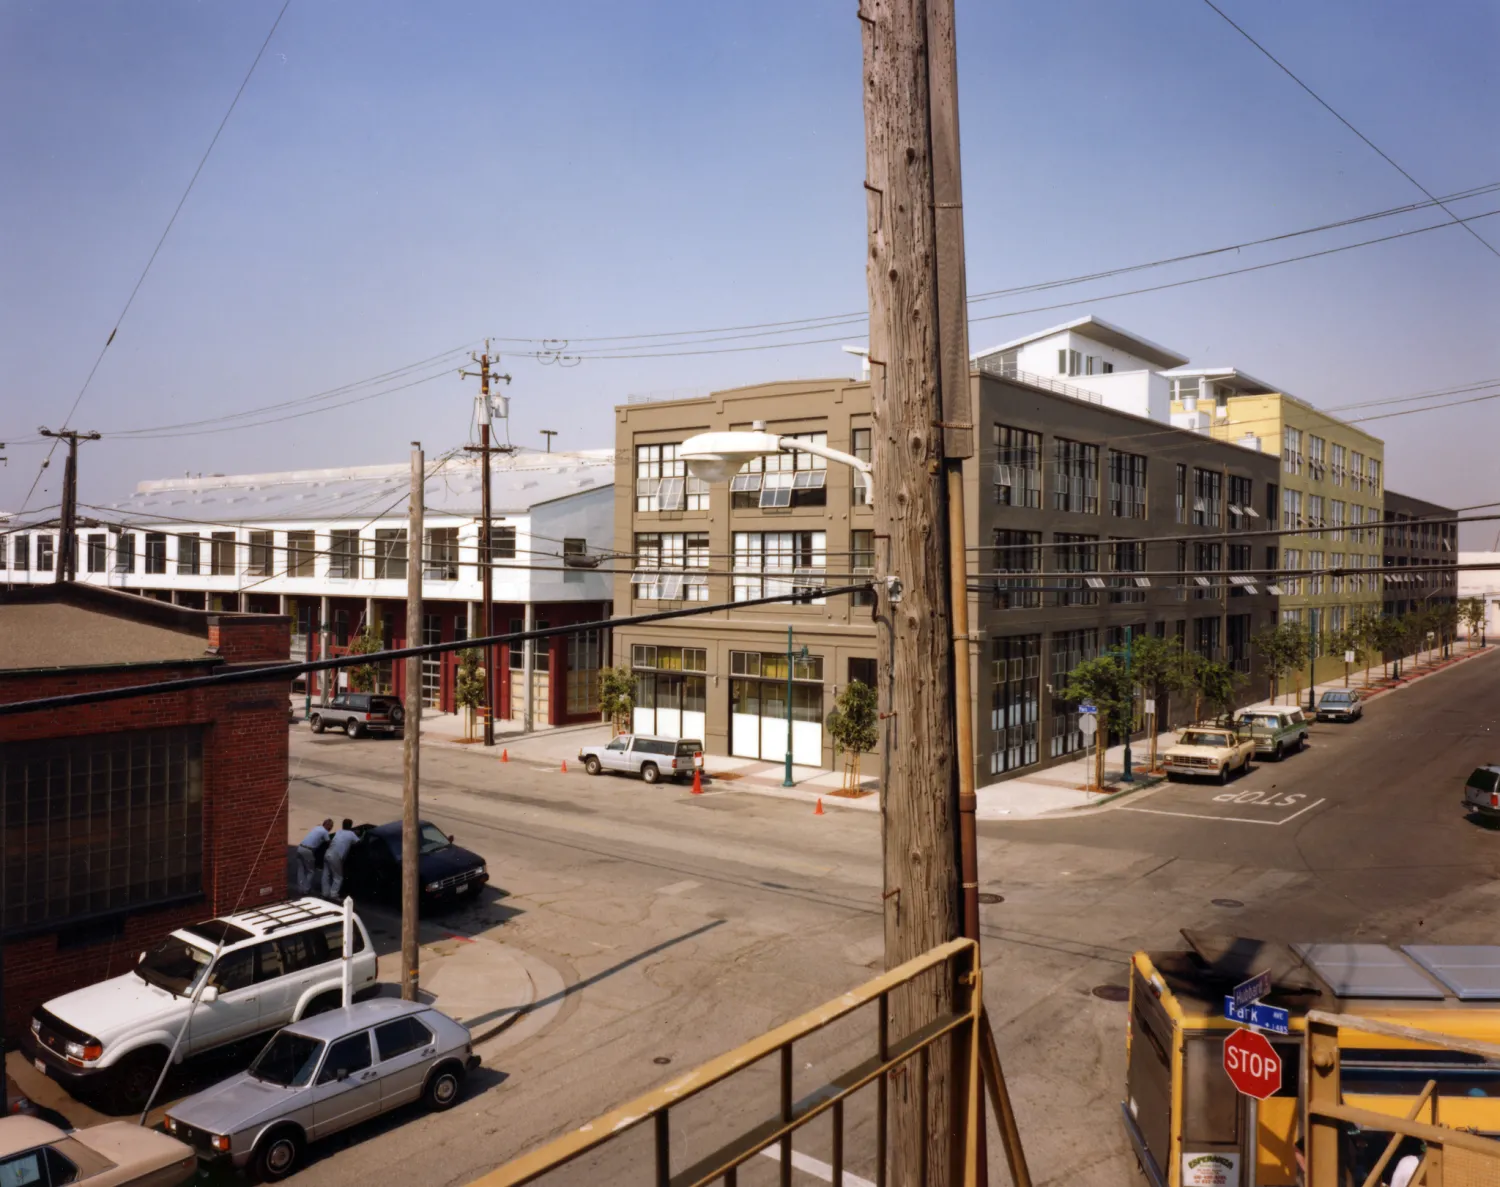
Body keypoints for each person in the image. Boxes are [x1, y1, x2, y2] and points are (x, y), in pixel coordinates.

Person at [323, 819, 359, 901]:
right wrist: (355, 833)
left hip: (328, 853)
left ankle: (325, 893)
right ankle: (334, 895)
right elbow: (358, 843)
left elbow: (344, 836)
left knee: (326, 875)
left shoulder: (339, 832)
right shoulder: (351, 834)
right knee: (338, 877)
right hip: (336, 856)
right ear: (350, 826)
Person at [296, 819, 333, 895]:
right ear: (328, 826)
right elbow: (329, 843)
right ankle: (306, 890)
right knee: (311, 871)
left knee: (301, 869)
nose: (331, 829)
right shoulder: (325, 832)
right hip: (308, 851)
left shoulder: (317, 828)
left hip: (300, 848)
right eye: (331, 826)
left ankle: (300, 888)